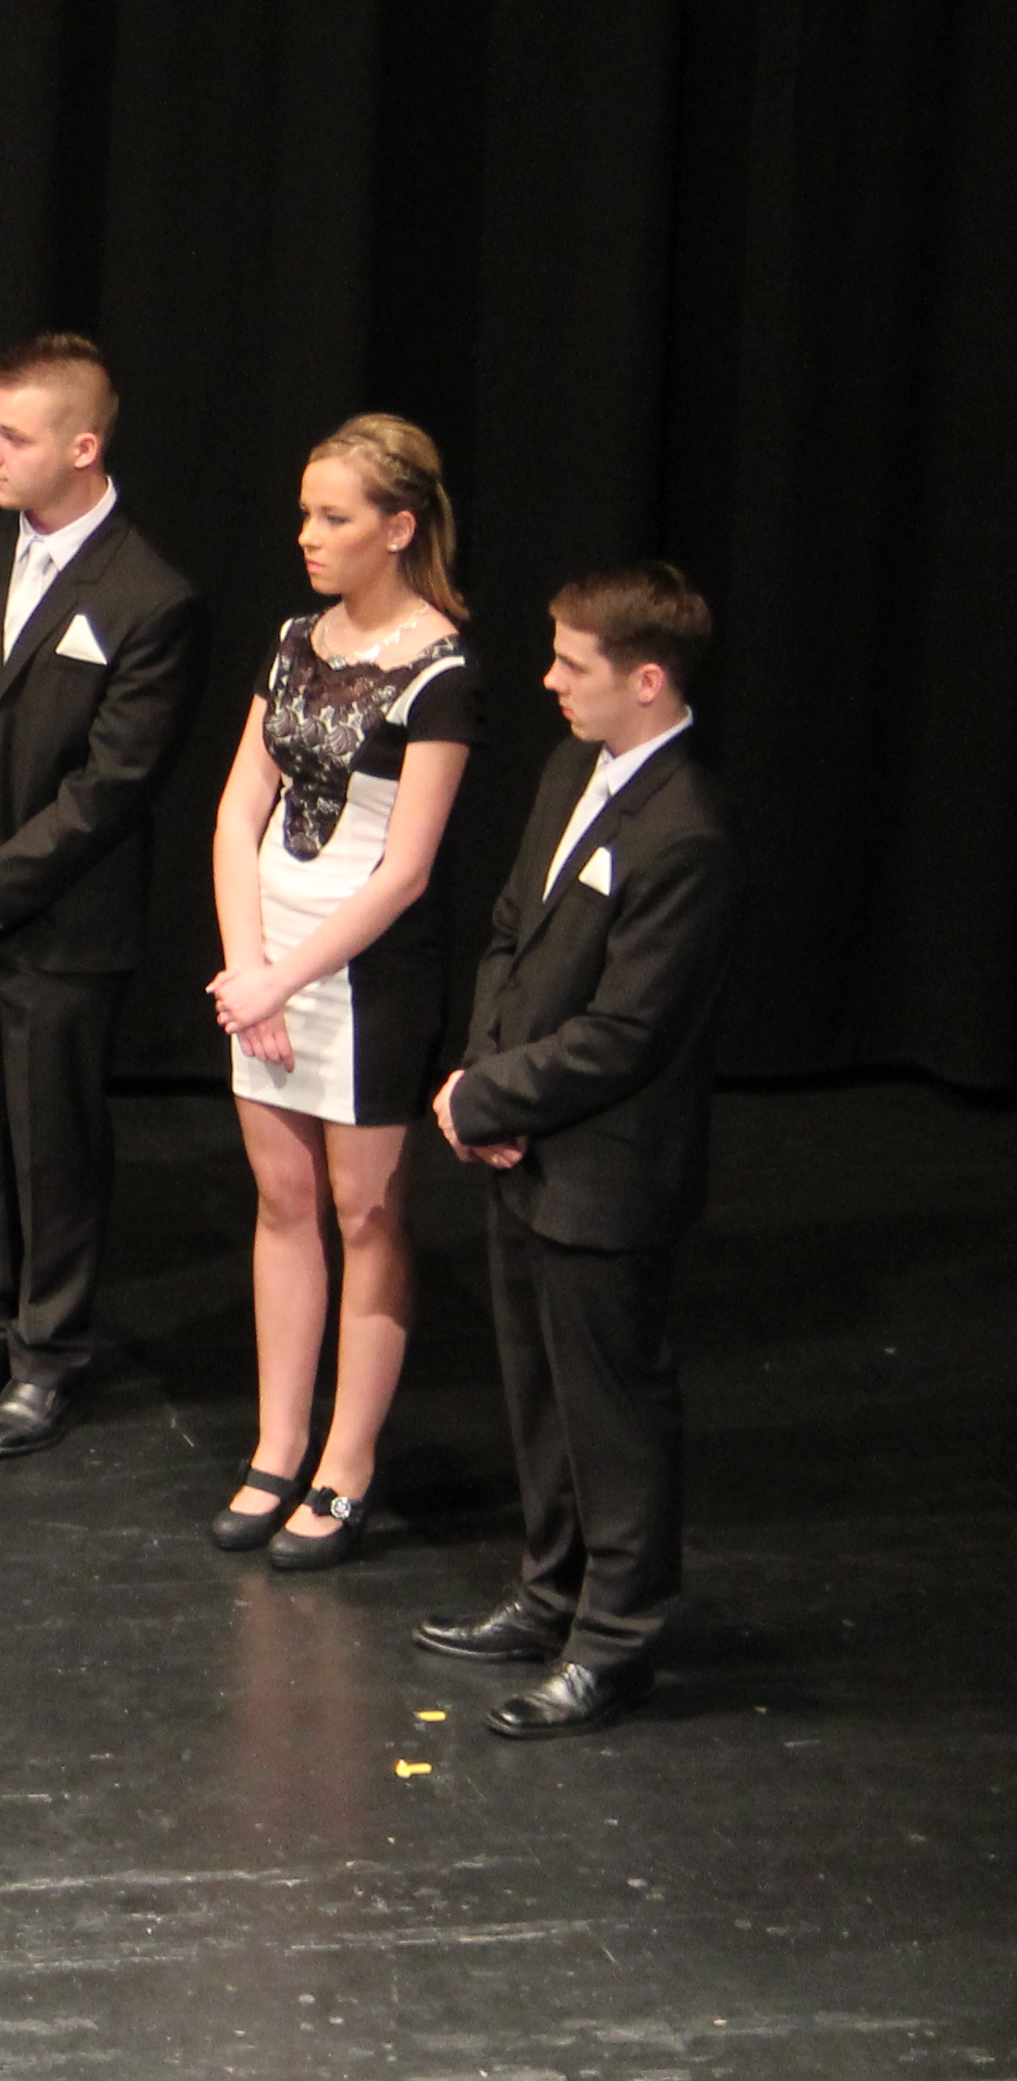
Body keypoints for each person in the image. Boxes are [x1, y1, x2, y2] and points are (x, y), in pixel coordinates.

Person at [0, 336, 207, 1457]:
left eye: (11, 436)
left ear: (82, 446)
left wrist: (0, 879)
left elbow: (114, 784)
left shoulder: (151, 596)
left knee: (53, 1144)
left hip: (62, 921)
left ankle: (49, 1356)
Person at [422, 566, 738, 1738]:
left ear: (647, 680)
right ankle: (550, 1592)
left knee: (612, 1412)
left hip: (607, 1170)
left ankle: (616, 1642)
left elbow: (628, 1033)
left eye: (572, 663)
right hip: (525, 1147)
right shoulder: (572, 768)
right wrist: (481, 1080)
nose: (550, 679)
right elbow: (512, 929)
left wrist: (494, 1095)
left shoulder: (689, 831)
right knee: (540, 1394)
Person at [202, 414, 476, 1565]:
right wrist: (248, 967)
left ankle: (347, 1462)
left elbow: (406, 871)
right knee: (282, 1200)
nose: (309, 535)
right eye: (306, 514)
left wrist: (283, 974)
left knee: (367, 1214)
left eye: (334, 516)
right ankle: (278, 1443)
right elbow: (237, 809)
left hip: (364, 976)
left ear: (398, 528)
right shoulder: (291, 641)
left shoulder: (440, 670)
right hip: (266, 967)